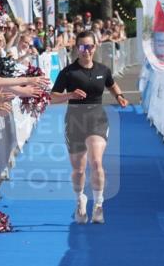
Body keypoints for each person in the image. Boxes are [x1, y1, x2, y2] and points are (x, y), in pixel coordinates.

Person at [50, 31, 129, 225]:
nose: (86, 51)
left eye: (90, 46)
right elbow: (52, 97)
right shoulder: (68, 72)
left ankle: (99, 204)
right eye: (82, 47)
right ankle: (80, 200)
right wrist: (69, 96)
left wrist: (119, 96)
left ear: (95, 47)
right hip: (75, 121)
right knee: (79, 170)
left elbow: (112, 85)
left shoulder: (103, 69)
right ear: (77, 48)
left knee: (96, 162)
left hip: (97, 120)